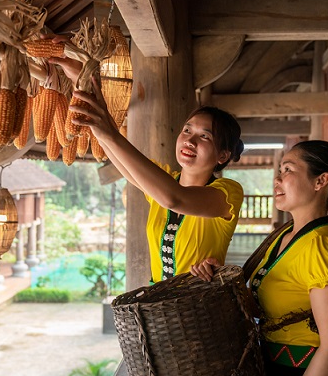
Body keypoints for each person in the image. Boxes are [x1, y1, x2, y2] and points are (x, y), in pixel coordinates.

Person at [46, 35, 245, 283]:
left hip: (199, 311)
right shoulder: (163, 181)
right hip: (159, 309)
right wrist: (82, 80)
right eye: (187, 130)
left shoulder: (227, 194)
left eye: (204, 136)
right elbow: (124, 164)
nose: (189, 141)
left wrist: (109, 133)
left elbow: (174, 198)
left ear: (223, 155)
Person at [191, 140, 328, 376]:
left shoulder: (320, 246)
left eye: (288, 170)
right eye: (280, 171)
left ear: (320, 181)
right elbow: (265, 307)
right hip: (269, 363)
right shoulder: (285, 236)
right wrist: (220, 277)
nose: (277, 180)